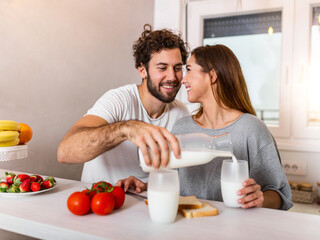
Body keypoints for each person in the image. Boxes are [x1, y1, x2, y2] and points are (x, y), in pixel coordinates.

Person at [126, 44, 293, 210]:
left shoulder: (251, 130)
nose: (183, 79)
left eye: (189, 70)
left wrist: (261, 198)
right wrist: (145, 186)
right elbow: (173, 183)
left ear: (212, 75)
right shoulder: (182, 127)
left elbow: (280, 195)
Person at [57, 24, 189, 189]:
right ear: (142, 70)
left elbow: (176, 173)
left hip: (143, 203)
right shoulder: (119, 100)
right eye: (162, 68)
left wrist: (146, 185)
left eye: (177, 68)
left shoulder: (181, 113)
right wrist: (126, 129)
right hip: (99, 200)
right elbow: (65, 153)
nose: (172, 76)